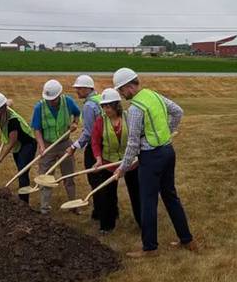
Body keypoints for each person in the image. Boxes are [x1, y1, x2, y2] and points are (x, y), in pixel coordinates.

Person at [113, 68, 196, 258]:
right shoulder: (154, 95)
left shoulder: (135, 109)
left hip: (151, 159)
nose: (121, 94)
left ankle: (149, 248)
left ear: (128, 87)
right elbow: (178, 111)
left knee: (147, 202)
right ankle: (187, 239)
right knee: (170, 196)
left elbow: (133, 143)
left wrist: (122, 168)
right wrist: (168, 131)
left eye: (121, 90)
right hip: (168, 152)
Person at [90, 88, 141, 234]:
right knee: (108, 195)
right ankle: (107, 225)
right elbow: (95, 142)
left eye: (108, 106)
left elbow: (136, 137)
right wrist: (98, 159)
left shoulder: (128, 117)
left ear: (116, 105)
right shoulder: (100, 121)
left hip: (130, 162)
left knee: (137, 193)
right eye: (103, 106)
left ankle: (142, 222)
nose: (106, 109)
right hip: (108, 163)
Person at [31, 79, 80, 214]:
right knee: (45, 176)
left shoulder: (68, 102)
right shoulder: (39, 107)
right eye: (49, 99)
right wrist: (41, 147)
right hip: (48, 145)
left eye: (53, 99)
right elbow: (37, 129)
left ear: (59, 95)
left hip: (65, 144)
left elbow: (77, 113)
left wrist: (75, 123)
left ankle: (73, 206)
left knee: (69, 176)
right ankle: (44, 208)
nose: (51, 102)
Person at [0, 92, 37, 202]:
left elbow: (12, 142)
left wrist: (1, 158)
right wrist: (7, 102)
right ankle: (22, 199)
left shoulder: (12, 121)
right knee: (20, 170)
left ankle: (24, 202)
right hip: (18, 146)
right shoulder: (4, 109)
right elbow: (10, 101)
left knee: (22, 172)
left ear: (3, 108)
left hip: (28, 144)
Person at [66, 75, 102, 220]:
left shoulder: (89, 105)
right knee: (105, 179)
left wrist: (74, 146)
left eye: (80, 88)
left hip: (95, 148)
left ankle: (99, 213)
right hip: (107, 145)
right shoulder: (101, 99)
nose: (77, 91)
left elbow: (88, 132)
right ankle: (111, 211)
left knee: (95, 180)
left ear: (88, 88)